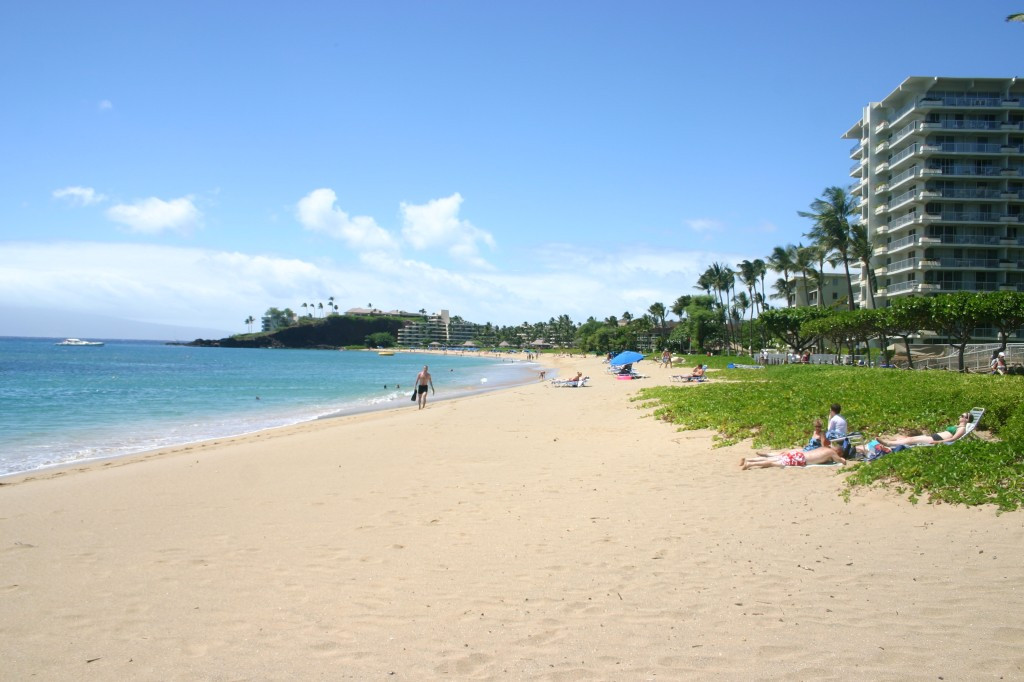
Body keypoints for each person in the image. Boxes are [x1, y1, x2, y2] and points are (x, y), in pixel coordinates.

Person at [879, 412, 974, 447]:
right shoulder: (958, 426)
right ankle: (890, 442)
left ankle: (888, 443)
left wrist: (940, 442)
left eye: (962, 416)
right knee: (909, 438)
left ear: (966, 419)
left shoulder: (962, 429)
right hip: (934, 436)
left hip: (936, 439)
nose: (960, 416)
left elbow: (953, 439)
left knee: (911, 440)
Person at [740, 443, 846, 469]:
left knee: (775, 458)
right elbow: (841, 462)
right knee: (774, 463)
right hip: (801, 459)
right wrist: (842, 458)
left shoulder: (824, 448)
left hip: (798, 454)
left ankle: (748, 459)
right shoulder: (832, 453)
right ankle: (749, 464)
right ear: (838, 451)